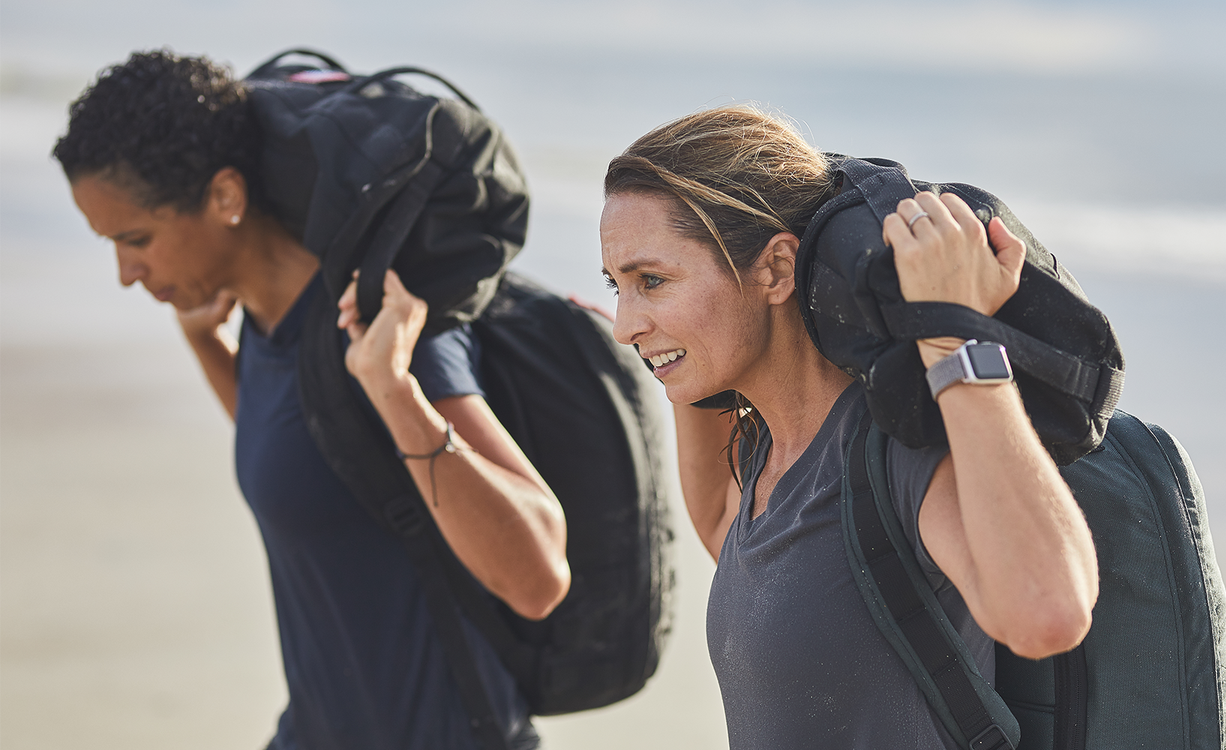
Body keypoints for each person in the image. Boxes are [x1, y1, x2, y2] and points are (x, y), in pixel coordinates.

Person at [54, 50, 568, 749]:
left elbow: (539, 576)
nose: (125, 273)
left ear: (227, 198)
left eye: (136, 239)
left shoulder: (385, 325)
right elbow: (312, 457)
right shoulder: (269, 325)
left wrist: (393, 390)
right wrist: (209, 348)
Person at [600, 106, 1101, 749]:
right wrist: (674, 347)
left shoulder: (896, 454)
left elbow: (1047, 614)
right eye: (616, 285)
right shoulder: (767, 455)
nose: (623, 323)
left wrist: (955, 333)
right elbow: (723, 532)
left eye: (652, 280)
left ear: (777, 270)